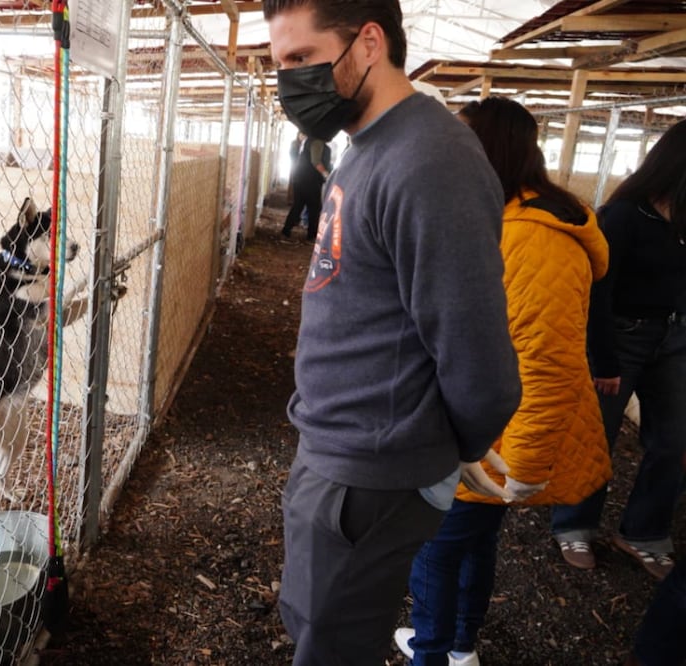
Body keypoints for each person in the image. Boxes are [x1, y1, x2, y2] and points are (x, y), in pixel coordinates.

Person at [263, 1, 522, 664]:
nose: (288, 79)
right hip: (342, 452)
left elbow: (474, 349)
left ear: (368, 42)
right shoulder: (371, 144)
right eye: (279, 64)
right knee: (315, 621)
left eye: (299, 58)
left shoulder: (430, 159)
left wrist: (454, 442)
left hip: (373, 470)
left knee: (334, 644)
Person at [392, 96, 612, 666]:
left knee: (436, 548)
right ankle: (458, 647)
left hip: (492, 436)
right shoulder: (503, 215)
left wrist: (524, 467)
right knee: (469, 540)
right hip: (482, 424)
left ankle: (432, 653)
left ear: (488, 151)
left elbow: (547, 362)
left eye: (458, 142)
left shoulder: (535, 236)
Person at [551, 118, 686, 580]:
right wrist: (603, 358)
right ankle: (574, 522)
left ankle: (644, 530)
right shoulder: (626, 215)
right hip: (622, 335)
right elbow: (598, 289)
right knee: (596, 437)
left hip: (674, 337)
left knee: (674, 439)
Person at [282, 132, 330, 240]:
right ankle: (311, 235)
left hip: (301, 177)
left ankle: (286, 229)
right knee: (314, 207)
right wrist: (326, 174)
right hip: (309, 179)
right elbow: (316, 161)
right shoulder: (317, 142)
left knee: (298, 204)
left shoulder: (308, 141)